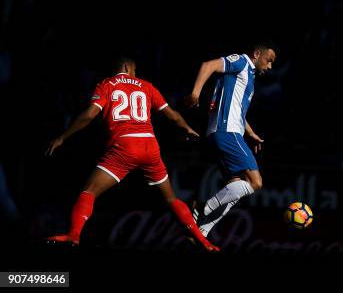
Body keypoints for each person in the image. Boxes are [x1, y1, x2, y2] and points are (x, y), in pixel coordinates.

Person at [46, 56, 218, 252]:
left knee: (89, 191)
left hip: (124, 146)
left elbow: (88, 116)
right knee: (171, 198)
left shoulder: (106, 85)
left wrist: (63, 137)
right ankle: (204, 241)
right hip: (149, 145)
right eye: (135, 70)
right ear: (128, 67)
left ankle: (74, 235)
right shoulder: (146, 85)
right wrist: (187, 128)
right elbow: (172, 114)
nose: (135, 74)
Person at [185, 41, 276, 238]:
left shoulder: (249, 76)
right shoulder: (242, 61)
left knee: (236, 186)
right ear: (257, 53)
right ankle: (203, 207)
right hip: (226, 131)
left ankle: (203, 230)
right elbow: (208, 65)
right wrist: (195, 93)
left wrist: (250, 132)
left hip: (224, 131)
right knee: (255, 182)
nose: (270, 67)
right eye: (269, 61)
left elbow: (237, 110)